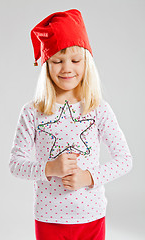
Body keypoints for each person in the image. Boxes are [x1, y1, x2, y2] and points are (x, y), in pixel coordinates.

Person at [9, 9, 133, 240]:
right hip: (49, 217)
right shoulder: (32, 112)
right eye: (58, 60)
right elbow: (15, 164)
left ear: (87, 63)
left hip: (92, 215)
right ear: (46, 64)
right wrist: (49, 168)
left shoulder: (98, 109)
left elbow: (125, 160)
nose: (67, 68)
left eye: (75, 60)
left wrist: (89, 177)